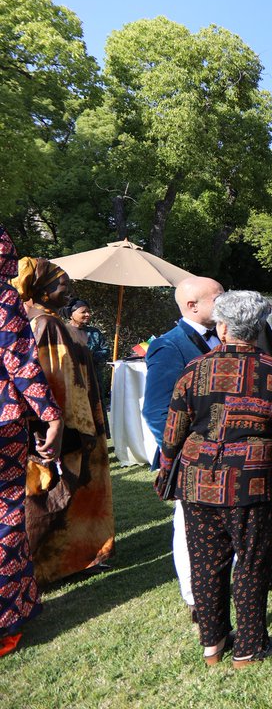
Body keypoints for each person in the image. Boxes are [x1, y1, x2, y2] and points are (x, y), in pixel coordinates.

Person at [156, 290, 272, 668]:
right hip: (253, 485)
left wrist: (166, 472)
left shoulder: (194, 370)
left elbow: (173, 431)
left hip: (197, 482)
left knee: (205, 564)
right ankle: (248, 647)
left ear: (223, 327)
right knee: (251, 562)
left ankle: (212, 645)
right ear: (258, 328)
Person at [13, 256, 114, 585]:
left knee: (50, 495)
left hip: (53, 422)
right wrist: (65, 427)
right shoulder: (47, 324)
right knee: (53, 495)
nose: (68, 292)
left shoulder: (38, 320)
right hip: (65, 424)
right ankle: (40, 568)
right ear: (43, 290)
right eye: (63, 286)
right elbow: (55, 379)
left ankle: (59, 563)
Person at [144, 276, 225, 616]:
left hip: (225, 456)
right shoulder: (170, 346)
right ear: (192, 306)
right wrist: (182, 453)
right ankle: (195, 597)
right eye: (218, 298)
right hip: (192, 457)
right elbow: (156, 411)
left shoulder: (222, 336)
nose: (224, 302)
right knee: (189, 527)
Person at [0, 228, 63, 658]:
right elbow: (19, 361)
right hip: (2, 423)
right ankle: (6, 620)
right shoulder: (3, 299)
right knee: (4, 516)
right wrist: (51, 416)